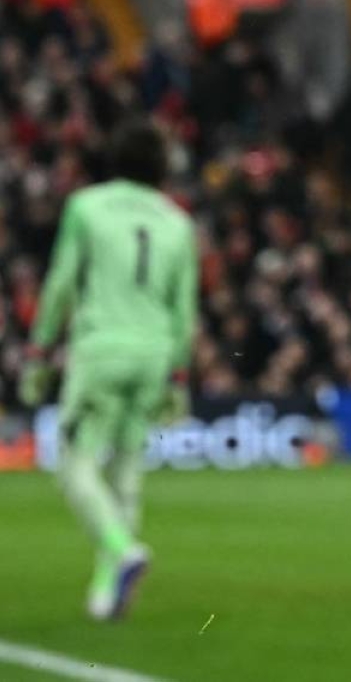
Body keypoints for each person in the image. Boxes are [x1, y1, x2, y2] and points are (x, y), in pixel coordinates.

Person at [19, 121, 198, 621]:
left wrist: (38, 351)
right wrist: (179, 377)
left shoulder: (87, 207)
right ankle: (107, 594)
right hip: (155, 353)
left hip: (102, 349)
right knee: (125, 470)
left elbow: (60, 283)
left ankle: (121, 551)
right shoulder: (177, 223)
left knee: (74, 465)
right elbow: (184, 309)